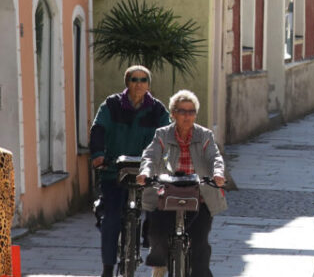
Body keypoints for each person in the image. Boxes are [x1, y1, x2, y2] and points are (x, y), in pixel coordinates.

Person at [89, 65, 171, 277]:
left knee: (157, 209)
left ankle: (145, 234)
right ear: (127, 82)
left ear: (148, 84)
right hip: (115, 173)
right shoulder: (111, 105)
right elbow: (98, 128)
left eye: (143, 80)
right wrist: (98, 154)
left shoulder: (157, 109)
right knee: (111, 218)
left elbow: (167, 136)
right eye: (134, 79)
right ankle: (108, 268)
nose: (139, 83)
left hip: (146, 174)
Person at [139, 90, 227, 277]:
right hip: (167, 196)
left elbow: (214, 157)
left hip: (198, 197)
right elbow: (150, 155)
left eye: (191, 111)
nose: (187, 116)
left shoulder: (205, 135)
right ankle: (160, 263)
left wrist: (218, 174)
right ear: (173, 114)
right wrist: (146, 172)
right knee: (158, 232)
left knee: (200, 244)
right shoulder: (162, 134)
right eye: (182, 111)